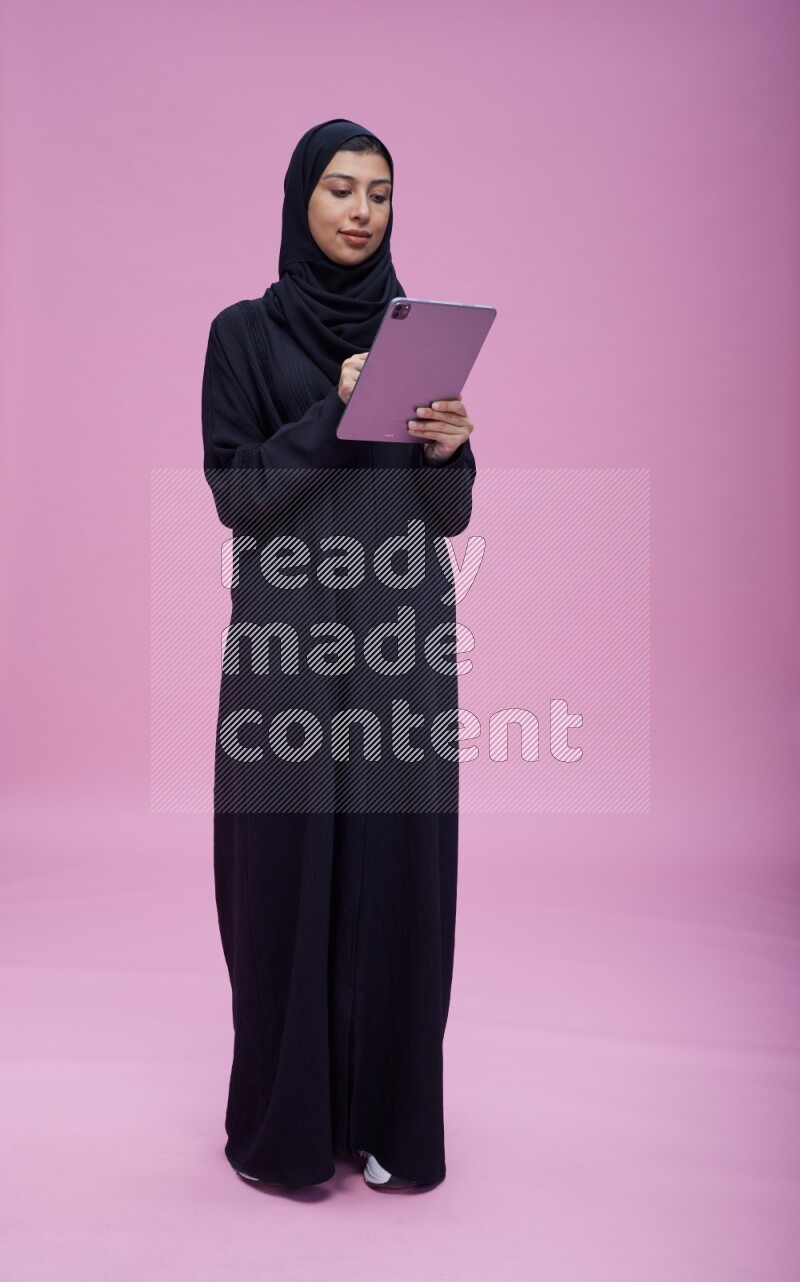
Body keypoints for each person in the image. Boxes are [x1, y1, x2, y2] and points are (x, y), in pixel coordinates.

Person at [201, 118, 476, 1192]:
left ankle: (382, 1122)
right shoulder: (241, 334)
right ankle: (288, 1125)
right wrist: (338, 408)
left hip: (403, 638)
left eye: (379, 194)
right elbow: (238, 491)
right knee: (281, 868)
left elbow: (443, 514)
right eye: (340, 190)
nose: (361, 212)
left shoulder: (419, 337)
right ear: (298, 201)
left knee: (395, 872)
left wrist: (449, 447)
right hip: (285, 644)